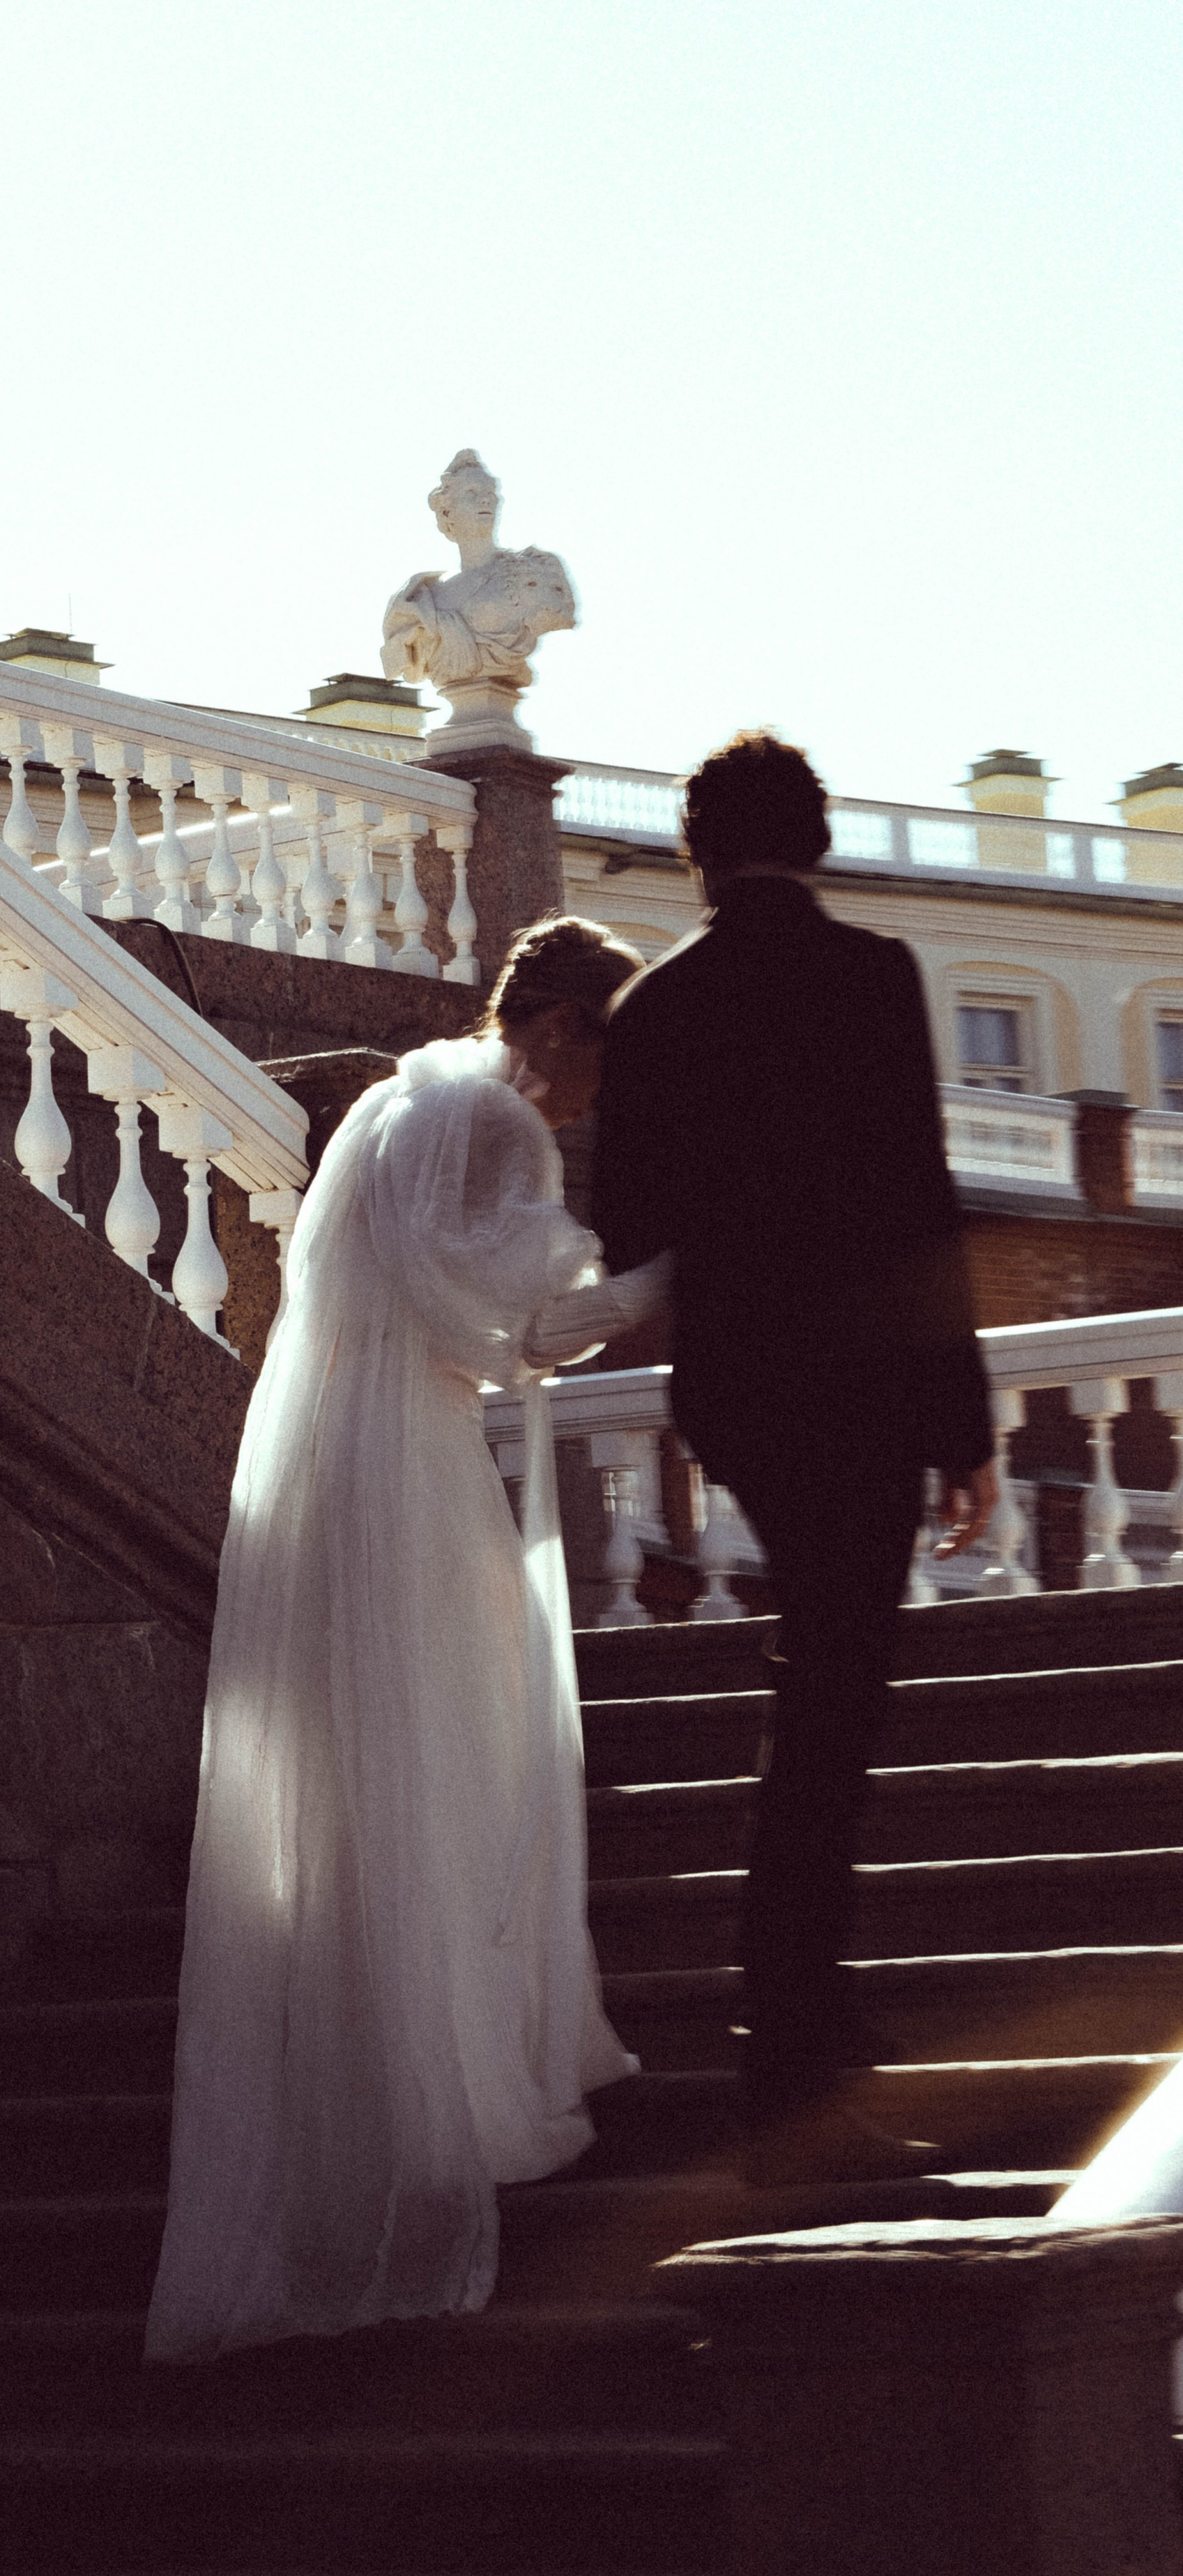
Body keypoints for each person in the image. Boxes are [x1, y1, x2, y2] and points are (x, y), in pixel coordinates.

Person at [146, 917, 665, 2361]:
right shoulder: (495, 1120)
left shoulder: (396, 1103)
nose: (598, 1101)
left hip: (331, 1469)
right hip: (413, 1473)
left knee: (369, 1781)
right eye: (604, 1060)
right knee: (460, 1756)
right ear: (558, 1027)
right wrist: (658, 1289)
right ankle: (441, 2106)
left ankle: (380, 2098)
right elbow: (509, 1330)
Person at [589, 730, 998, 2186]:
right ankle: (788, 2043)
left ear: (698, 852)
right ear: (813, 840)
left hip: (741, 1391)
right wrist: (963, 1430)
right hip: (866, 1387)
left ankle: (800, 2025)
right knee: (833, 1699)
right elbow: (920, 1200)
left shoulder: (656, 1003)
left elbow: (628, 1223)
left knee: (817, 1683)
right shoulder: (873, 974)